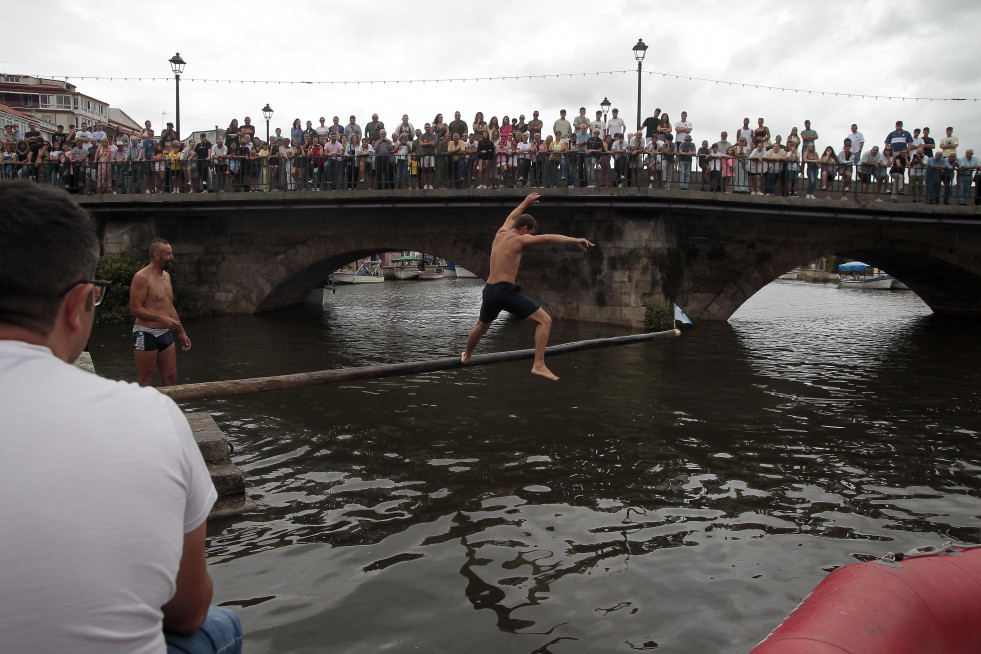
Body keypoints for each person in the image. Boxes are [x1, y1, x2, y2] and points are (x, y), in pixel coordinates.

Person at [0, 181, 242, 654]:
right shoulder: (138, 283)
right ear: (78, 305)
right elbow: (189, 609)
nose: (171, 256)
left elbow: (169, 309)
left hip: (168, 333)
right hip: (145, 334)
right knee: (219, 626)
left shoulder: (169, 281)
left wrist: (180, 328)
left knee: (171, 387)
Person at [461, 193, 594, 381]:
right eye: (531, 232)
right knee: (545, 321)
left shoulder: (500, 233)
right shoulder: (521, 240)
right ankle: (538, 364)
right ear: (524, 229)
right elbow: (548, 238)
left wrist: (525, 202)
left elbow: (511, 217)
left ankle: (466, 354)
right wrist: (574, 240)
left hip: (489, 290)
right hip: (505, 291)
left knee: (481, 326)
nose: (532, 236)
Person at [130, 239, 191, 386]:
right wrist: (161, 319)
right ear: (157, 256)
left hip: (165, 333)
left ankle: (168, 408)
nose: (172, 257)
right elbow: (135, 309)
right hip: (145, 332)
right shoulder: (142, 277)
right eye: (169, 254)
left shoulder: (166, 277)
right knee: (146, 378)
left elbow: (169, 306)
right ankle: (145, 409)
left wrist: (181, 332)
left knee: (170, 377)